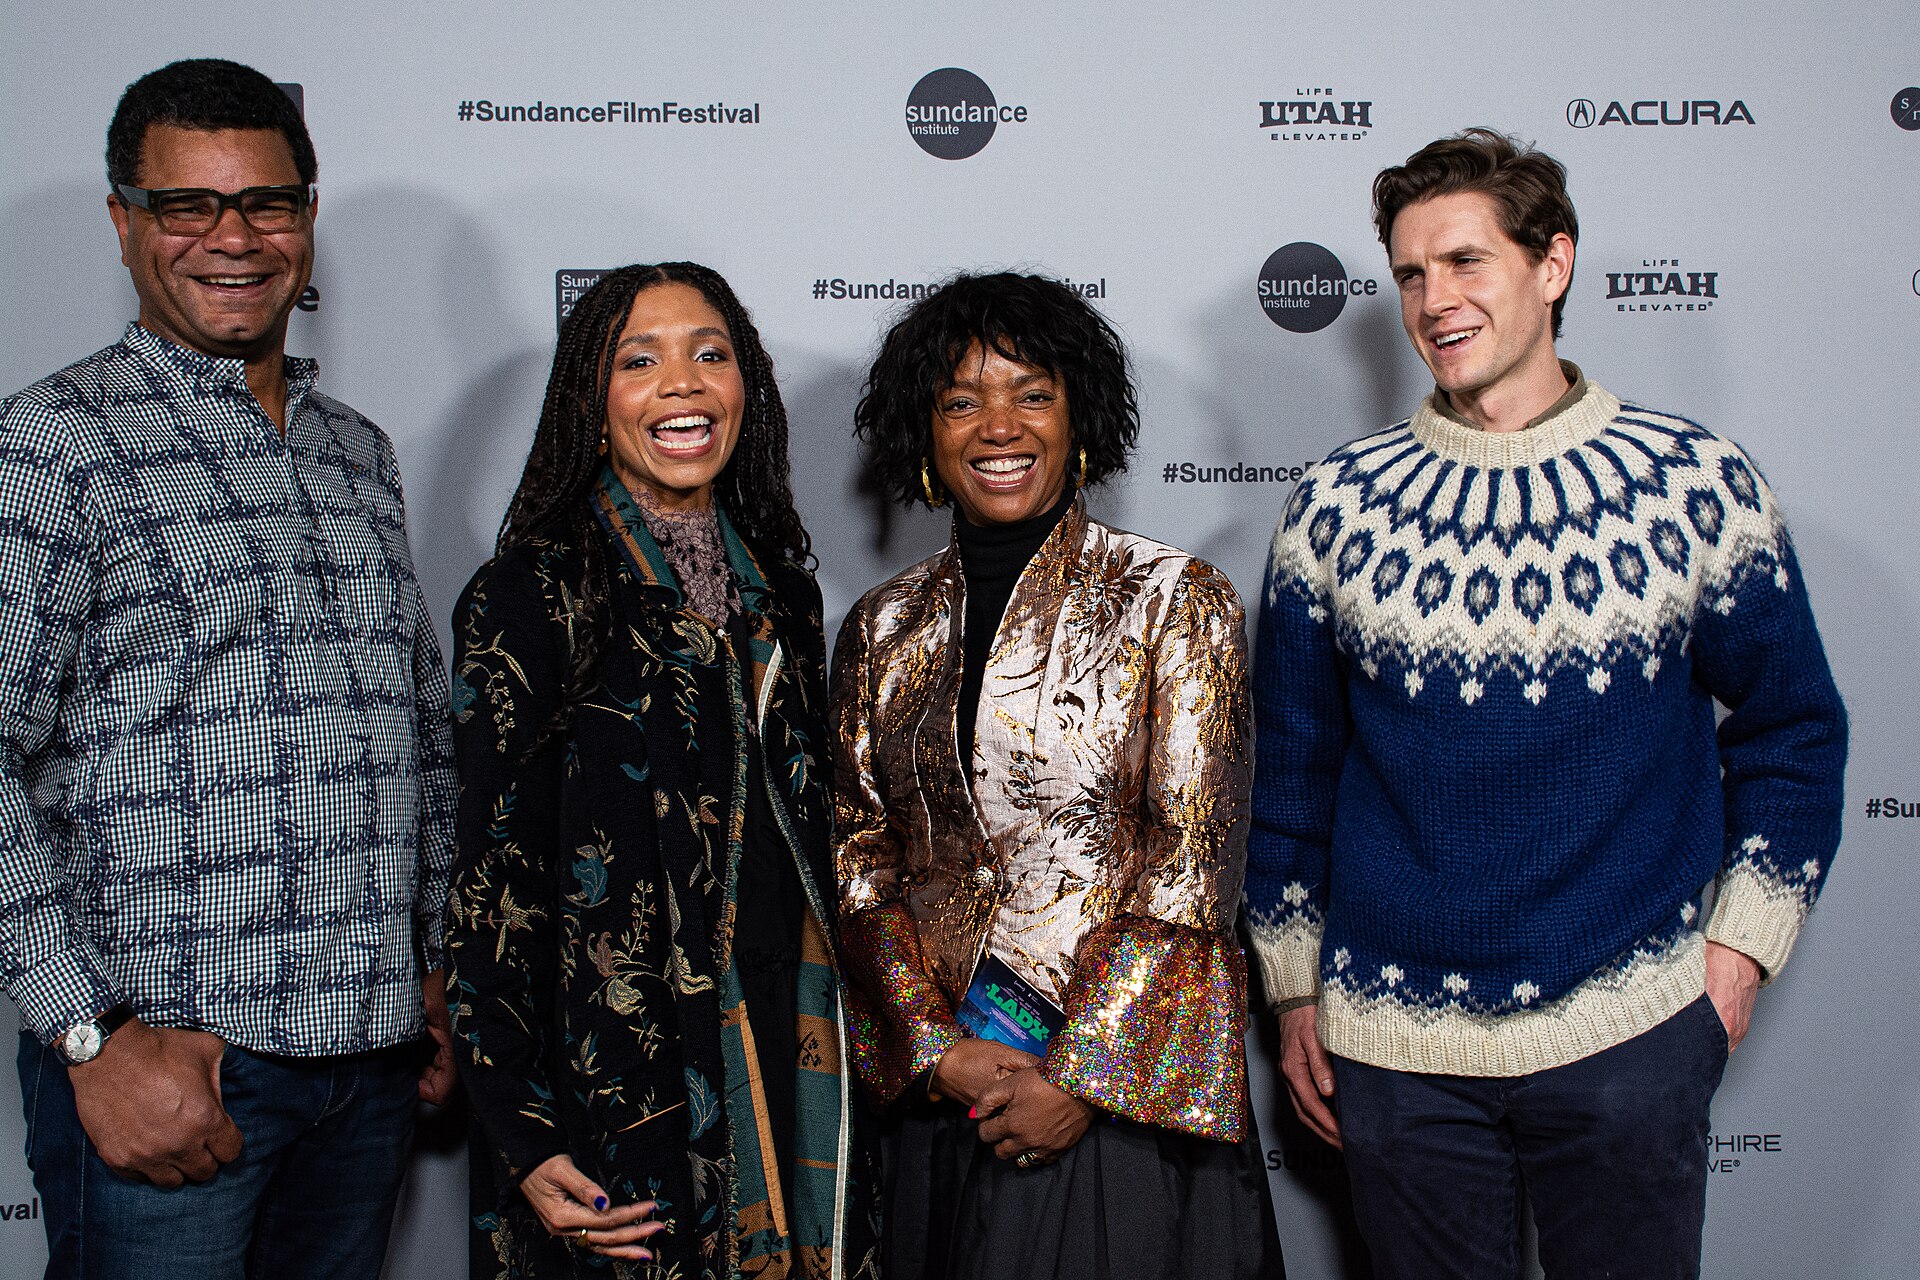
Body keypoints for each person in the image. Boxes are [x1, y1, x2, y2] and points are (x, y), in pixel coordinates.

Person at [1247, 128, 1848, 1279]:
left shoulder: (1696, 485)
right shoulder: (1333, 506)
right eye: (1413, 274)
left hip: (1632, 1026)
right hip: (1392, 1048)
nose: (1435, 300)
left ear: (1553, 265)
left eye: (1467, 262)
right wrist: (1289, 986)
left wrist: (1737, 953)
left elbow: (1794, 732)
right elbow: (1295, 775)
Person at [0, 58, 457, 1279]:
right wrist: (91, 1038)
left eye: (266, 201)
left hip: (365, 1069)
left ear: (308, 217)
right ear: (124, 222)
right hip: (177, 1064)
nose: (232, 238)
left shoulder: (359, 452)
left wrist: (426, 959)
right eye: (187, 206)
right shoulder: (53, 444)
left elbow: (410, 713)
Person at [832, 271, 1284, 1280]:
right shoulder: (882, 624)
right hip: (945, 1094)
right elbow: (859, 853)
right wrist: (932, 1044)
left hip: (1108, 1100)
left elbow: (1193, 861)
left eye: (1031, 391)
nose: (999, 424)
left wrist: (1084, 1074)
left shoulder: (1177, 600)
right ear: (928, 432)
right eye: (961, 399)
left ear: (1079, 413)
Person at [446, 262, 881, 1279]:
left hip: (788, 1034)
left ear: (747, 390)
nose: (682, 383)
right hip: (619, 1086)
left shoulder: (782, 598)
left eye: (710, 354)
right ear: (591, 403)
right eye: (639, 360)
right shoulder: (531, 594)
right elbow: (485, 885)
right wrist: (525, 1134)